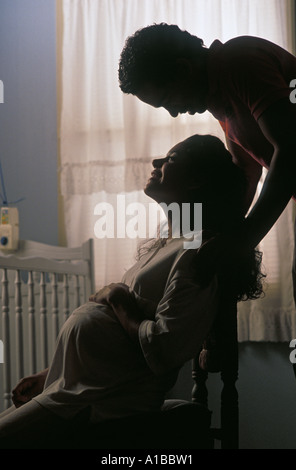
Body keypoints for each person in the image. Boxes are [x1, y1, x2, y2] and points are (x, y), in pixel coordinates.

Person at [0, 134, 264, 449]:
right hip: (78, 389)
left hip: (104, 402)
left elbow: (167, 347)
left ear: (197, 181)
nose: (157, 163)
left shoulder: (198, 253)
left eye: (172, 159)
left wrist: (119, 299)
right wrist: (50, 374)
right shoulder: (169, 244)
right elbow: (114, 340)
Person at [118, 23, 296, 296]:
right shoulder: (219, 97)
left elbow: (291, 146)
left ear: (183, 69)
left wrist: (244, 240)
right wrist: (215, 237)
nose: (173, 113)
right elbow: (246, 172)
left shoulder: (239, 62)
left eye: (167, 100)